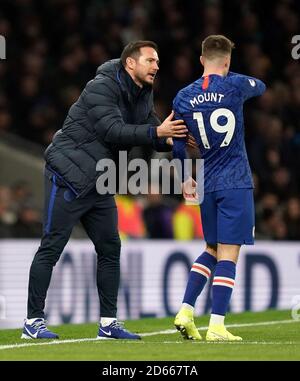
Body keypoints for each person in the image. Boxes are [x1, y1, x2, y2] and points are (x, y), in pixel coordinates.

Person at [21, 40, 190, 340]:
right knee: (52, 247)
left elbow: (147, 124)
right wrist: (156, 132)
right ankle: (33, 322)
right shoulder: (101, 86)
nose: (156, 66)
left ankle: (108, 324)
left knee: (110, 249)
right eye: (150, 60)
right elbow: (113, 131)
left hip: (99, 180)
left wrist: (170, 138)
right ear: (130, 64)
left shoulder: (142, 91)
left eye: (158, 61)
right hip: (68, 175)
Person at [172, 35, 266, 341]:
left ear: (200, 60)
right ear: (226, 61)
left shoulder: (182, 97)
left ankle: (186, 310)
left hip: (205, 182)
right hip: (235, 181)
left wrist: (186, 176)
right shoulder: (234, 86)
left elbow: (176, 145)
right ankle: (216, 325)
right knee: (229, 252)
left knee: (211, 249)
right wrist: (226, 74)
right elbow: (261, 86)